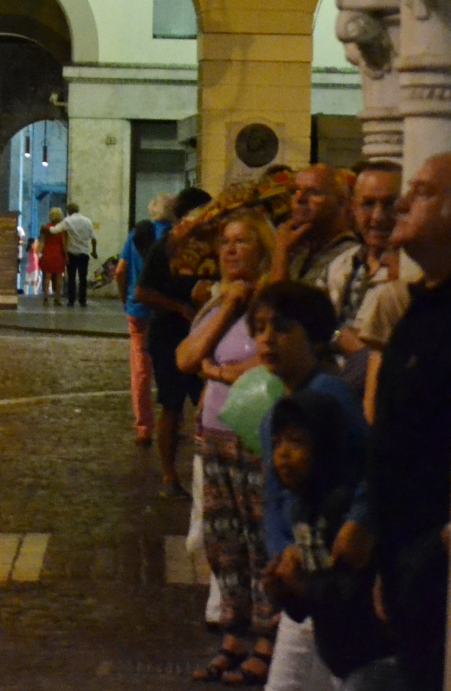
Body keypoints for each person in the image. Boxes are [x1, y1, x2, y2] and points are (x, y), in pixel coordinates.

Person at [330, 153, 451, 691]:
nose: (404, 204)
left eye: (423, 193)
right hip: (404, 550)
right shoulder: (418, 310)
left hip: (442, 551)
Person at [247, 281, 375, 691]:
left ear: (315, 337)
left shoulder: (330, 400)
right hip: (306, 578)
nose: (268, 338)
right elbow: (275, 497)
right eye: (260, 327)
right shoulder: (281, 410)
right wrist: (280, 553)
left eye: (282, 327)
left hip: (333, 578)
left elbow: (368, 476)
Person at [175, 211, 275, 684]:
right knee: (223, 543)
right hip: (213, 436)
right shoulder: (217, 305)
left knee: (260, 541)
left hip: (256, 437)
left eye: (243, 242)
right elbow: (185, 357)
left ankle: (265, 638)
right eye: (226, 243)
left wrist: (212, 371)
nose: (232, 250)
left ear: (262, 249)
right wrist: (227, 310)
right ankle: (232, 636)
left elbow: (258, 367)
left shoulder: (272, 305)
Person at [135, 186, 215, 495]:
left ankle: (208, 472)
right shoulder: (165, 247)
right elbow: (142, 292)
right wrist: (179, 306)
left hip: (204, 334)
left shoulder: (212, 248)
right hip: (170, 334)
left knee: (208, 404)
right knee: (171, 404)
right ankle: (169, 476)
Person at [325, 162, 407, 404]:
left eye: (389, 204)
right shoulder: (341, 266)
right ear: (353, 209)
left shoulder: (414, 272)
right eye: (369, 204)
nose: (378, 217)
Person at [116, 192, 176, 446]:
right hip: (167, 310)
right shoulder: (176, 236)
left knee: (140, 370)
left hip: (138, 309)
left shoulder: (136, 234)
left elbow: (120, 271)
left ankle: (144, 426)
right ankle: (173, 419)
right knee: (171, 366)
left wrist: (125, 299)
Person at [272, 165, 358, 288]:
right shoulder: (299, 254)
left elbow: (279, 306)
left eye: (314, 192)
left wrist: (280, 256)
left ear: (342, 203)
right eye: (294, 191)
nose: (300, 198)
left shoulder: (350, 258)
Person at [49, 201, 96, 307]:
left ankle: (71, 301)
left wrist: (46, 228)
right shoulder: (87, 221)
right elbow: (93, 238)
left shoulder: (67, 221)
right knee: (83, 278)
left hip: (72, 253)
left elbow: (54, 230)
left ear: (69, 211)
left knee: (71, 277)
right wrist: (94, 251)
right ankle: (83, 301)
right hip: (84, 253)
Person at [39, 208, 68, 305]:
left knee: (47, 277)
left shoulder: (45, 228)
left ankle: (46, 298)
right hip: (58, 254)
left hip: (47, 253)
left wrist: (40, 253)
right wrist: (67, 256)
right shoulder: (62, 229)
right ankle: (57, 299)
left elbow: (42, 241)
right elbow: (64, 244)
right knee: (59, 277)